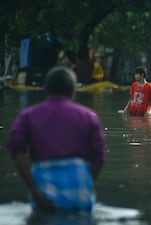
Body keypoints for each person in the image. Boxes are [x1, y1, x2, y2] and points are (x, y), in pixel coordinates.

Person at [7, 66, 106, 213]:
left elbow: (16, 150)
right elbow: (99, 157)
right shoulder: (88, 117)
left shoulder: (28, 115)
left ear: (45, 89)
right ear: (73, 91)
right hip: (79, 188)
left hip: (42, 187)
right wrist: (86, 182)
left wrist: (35, 192)